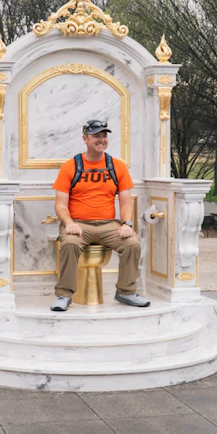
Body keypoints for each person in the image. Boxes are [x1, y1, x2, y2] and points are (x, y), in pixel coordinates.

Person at [50, 119, 146, 311]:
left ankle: (126, 292)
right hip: (78, 223)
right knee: (69, 243)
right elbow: (60, 204)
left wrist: (126, 224)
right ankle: (64, 295)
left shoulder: (117, 166)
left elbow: (126, 201)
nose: (101, 139)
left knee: (132, 244)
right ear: (85, 138)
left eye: (104, 136)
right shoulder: (70, 166)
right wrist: (69, 223)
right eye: (96, 136)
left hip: (108, 224)